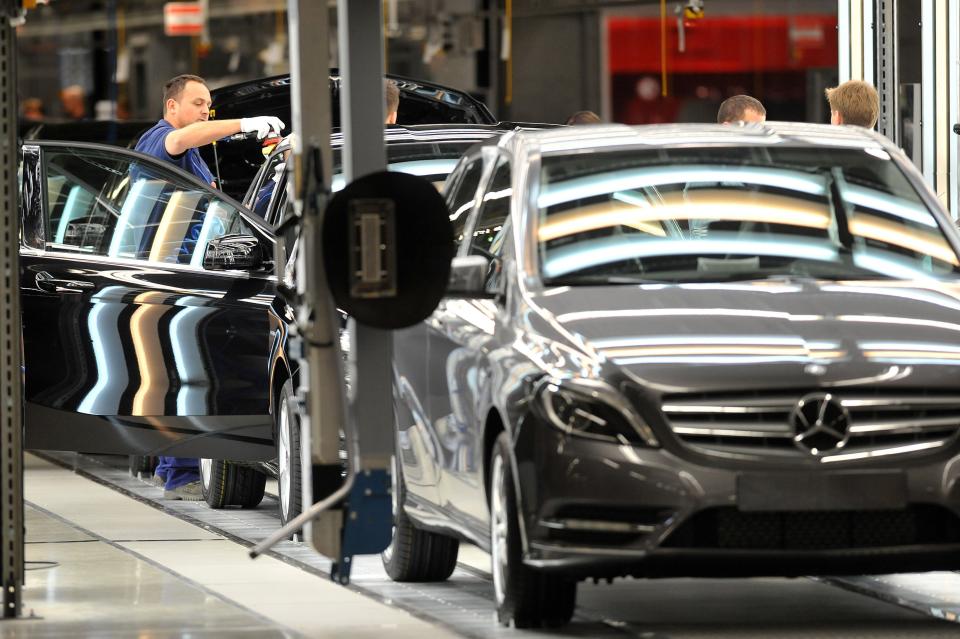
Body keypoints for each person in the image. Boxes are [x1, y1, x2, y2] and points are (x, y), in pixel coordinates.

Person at [135, 74, 283, 500]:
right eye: (198, 103)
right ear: (172, 108)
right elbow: (185, 138)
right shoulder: (161, 140)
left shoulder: (193, 156)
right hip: (167, 277)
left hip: (192, 274)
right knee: (179, 374)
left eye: (208, 105)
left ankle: (178, 467)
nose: (205, 111)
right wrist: (242, 124)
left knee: (184, 372)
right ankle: (179, 474)